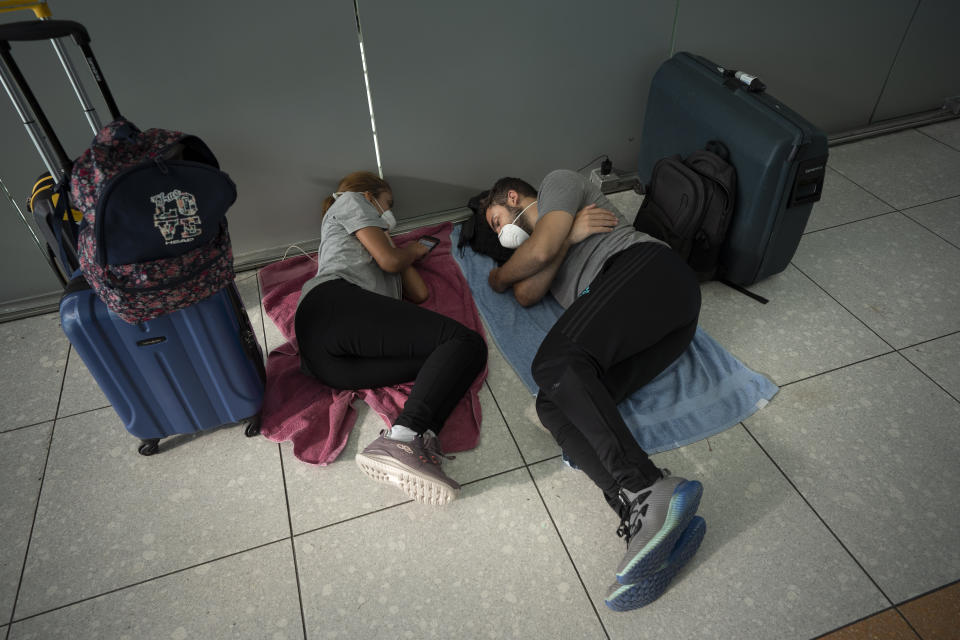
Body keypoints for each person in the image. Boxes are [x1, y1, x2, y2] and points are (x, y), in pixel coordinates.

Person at [481, 169, 704, 609]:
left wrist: (500, 276)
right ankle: (641, 515)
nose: (500, 233)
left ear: (511, 196)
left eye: (495, 220)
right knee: (553, 404)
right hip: (660, 325)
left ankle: (644, 485)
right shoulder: (540, 246)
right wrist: (563, 243)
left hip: (646, 272)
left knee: (554, 362)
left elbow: (529, 262)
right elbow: (527, 292)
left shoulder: (558, 183)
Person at [295, 171, 487, 506]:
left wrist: (403, 252)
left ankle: (419, 439)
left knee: (458, 357)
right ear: (370, 196)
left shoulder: (381, 245)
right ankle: (401, 437)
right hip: (331, 307)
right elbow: (389, 260)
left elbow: (419, 291)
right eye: (388, 203)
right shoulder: (349, 201)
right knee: (463, 340)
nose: (390, 213)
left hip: (332, 364)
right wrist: (407, 251)